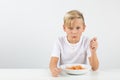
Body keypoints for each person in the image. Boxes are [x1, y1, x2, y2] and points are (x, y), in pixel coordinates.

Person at [49, 10, 99, 77]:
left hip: (81, 76)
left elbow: (94, 68)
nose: (74, 32)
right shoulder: (59, 41)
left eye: (78, 28)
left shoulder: (86, 41)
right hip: (64, 75)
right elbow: (53, 63)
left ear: (83, 28)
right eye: (70, 28)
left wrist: (93, 52)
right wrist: (53, 70)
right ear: (64, 28)